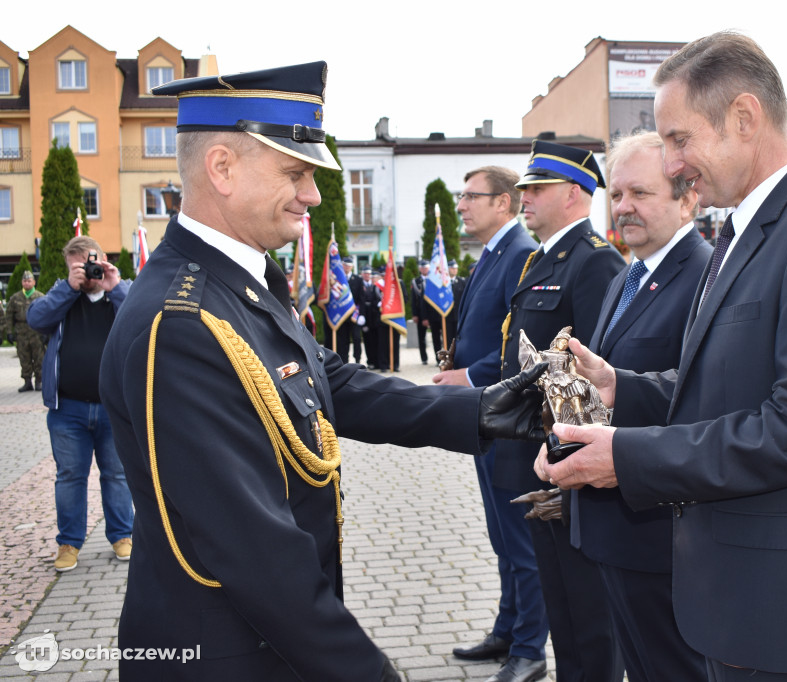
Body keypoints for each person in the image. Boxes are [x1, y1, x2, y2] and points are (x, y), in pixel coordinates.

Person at [96, 62, 546, 682]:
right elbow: (254, 551)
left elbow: (330, 380)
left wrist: (482, 408)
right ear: (221, 168)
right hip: (228, 653)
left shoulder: (242, 284)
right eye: (295, 172)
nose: (311, 194)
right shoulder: (180, 320)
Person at [538, 32, 787, 681]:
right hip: (741, 594)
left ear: (744, 118)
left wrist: (627, 457)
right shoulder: (741, 229)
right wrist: (622, 386)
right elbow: (725, 382)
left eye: (679, 139)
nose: (674, 164)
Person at [573, 130, 712, 682]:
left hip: (660, 536)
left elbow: (704, 393)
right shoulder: (629, 274)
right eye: (617, 193)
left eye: (641, 193)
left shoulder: (705, 274)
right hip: (614, 530)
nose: (623, 206)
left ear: (687, 198)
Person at [500, 139, 626, 682]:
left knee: (588, 608)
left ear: (574, 193)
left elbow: (598, 372)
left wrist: (571, 462)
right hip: (536, 452)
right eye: (523, 188)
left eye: (536, 188)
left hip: (571, 460)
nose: (523, 197)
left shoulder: (594, 261)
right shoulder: (542, 258)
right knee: (562, 603)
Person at [432, 166, 549, 680]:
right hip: (487, 415)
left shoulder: (521, 252)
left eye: (471, 196)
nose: (461, 205)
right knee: (502, 536)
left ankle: (530, 650)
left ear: (503, 203)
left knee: (522, 540)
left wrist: (468, 375)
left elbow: (524, 346)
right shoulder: (496, 252)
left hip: (509, 414)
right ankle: (507, 630)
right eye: (461, 196)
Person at [25, 236, 134, 571]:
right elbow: (36, 319)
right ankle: (69, 544)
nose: (87, 272)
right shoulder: (63, 297)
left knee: (116, 475)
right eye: (78, 266)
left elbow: (144, 316)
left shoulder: (122, 292)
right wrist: (68, 288)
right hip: (67, 409)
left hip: (113, 407)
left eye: (91, 263)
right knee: (70, 477)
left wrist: (114, 285)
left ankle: (122, 536)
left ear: (103, 259)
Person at [7, 270, 46, 392]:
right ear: (21, 282)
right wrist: (9, 332)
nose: (27, 283)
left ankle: (39, 381)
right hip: (21, 332)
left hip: (36, 332)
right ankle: (27, 382)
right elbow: (9, 316)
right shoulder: (15, 298)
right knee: (24, 358)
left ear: (34, 282)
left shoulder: (40, 297)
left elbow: (46, 315)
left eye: (29, 281)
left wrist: (46, 332)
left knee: (39, 357)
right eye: (24, 281)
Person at [411, 259, 442, 364]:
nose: (424, 269)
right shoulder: (416, 281)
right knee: (421, 337)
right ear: (420, 268)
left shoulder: (434, 280)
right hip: (420, 312)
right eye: (422, 267)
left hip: (434, 312)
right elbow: (413, 299)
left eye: (426, 267)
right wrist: (415, 314)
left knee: (437, 336)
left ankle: (439, 358)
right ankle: (424, 358)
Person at [335, 256, 365, 363]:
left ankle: (358, 360)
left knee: (357, 338)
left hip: (354, 314)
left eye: (349, 265)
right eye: (345, 265)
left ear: (352, 266)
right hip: (342, 314)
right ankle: (344, 361)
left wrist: (362, 314)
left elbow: (362, 298)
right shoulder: (338, 280)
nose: (346, 267)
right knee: (343, 340)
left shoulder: (358, 279)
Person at [359, 265, 380, 369]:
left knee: (376, 341)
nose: (367, 275)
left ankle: (377, 362)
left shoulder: (375, 286)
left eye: (369, 274)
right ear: (362, 274)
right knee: (368, 341)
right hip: (365, 318)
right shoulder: (360, 285)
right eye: (365, 273)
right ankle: (370, 361)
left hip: (374, 318)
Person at [448, 258, 466, 345]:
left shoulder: (462, 282)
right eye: (452, 268)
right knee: (448, 338)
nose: (454, 270)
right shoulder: (443, 282)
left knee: (458, 338)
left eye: (456, 268)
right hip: (447, 315)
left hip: (458, 315)